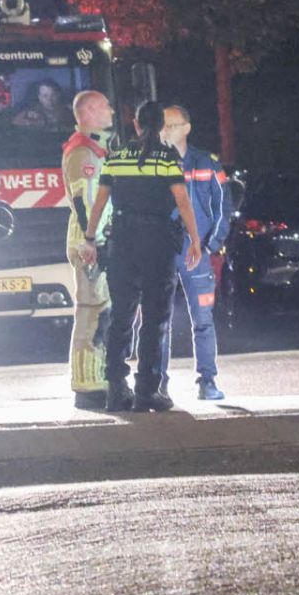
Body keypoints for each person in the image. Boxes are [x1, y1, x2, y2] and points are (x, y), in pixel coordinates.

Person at [83, 102, 202, 412]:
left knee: (121, 316)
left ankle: (115, 389)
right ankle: (147, 391)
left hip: (122, 242)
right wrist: (195, 240)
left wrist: (89, 238)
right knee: (154, 318)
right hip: (157, 243)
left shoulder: (116, 157)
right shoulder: (167, 158)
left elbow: (100, 202)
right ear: (161, 125)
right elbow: (183, 202)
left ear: (135, 124)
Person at [156, 105, 231, 401]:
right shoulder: (152, 162)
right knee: (158, 320)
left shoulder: (206, 163)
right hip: (163, 251)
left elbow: (224, 206)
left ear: (187, 128)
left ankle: (207, 381)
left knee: (202, 319)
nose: (165, 131)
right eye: (162, 125)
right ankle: (157, 382)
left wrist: (212, 245)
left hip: (196, 252)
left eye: (171, 125)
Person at [63, 90, 115, 410]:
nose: (112, 112)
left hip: (92, 240)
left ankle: (97, 379)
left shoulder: (92, 148)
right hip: (89, 243)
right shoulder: (83, 152)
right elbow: (85, 201)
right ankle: (88, 385)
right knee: (93, 311)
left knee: (100, 310)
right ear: (91, 111)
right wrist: (92, 239)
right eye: (107, 107)